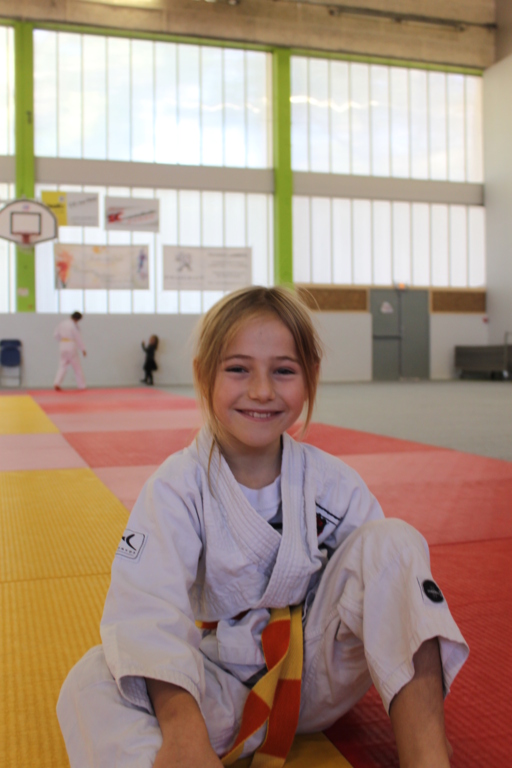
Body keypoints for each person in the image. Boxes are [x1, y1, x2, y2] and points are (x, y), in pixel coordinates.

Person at [57, 286, 468, 768]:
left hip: (317, 671)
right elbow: (146, 608)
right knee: (89, 681)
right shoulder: (178, 487)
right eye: (238, 369)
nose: (261, 391)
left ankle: (426, 753)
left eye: (284, 371)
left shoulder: (330, 482)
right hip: (221, 686)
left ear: (310, 377)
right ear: (203, 375)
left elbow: (390, 596)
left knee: (395, 543)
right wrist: (183, 728)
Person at [53, 311, 87, 391]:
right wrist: (83, 349)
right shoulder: (74, 325)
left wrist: (62, 340)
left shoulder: (62, 323)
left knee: (62, 366)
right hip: (71, 345)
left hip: (62, 345)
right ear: (77, 319)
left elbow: (55, 335)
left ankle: (57, 383)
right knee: (77, 367)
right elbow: (78, 337)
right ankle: (81, 385)